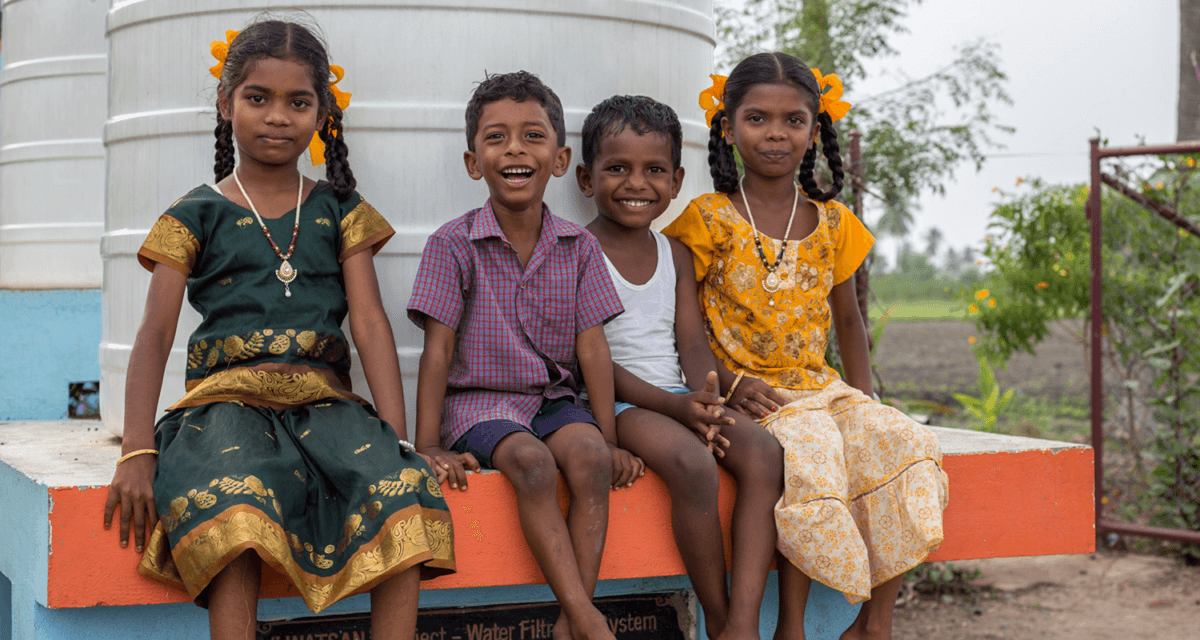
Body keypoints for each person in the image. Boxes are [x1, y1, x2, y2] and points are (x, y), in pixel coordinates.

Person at [102, 19, 454, 640]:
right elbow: (155, 334)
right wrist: (136, 448)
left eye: (299, 102)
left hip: (328, 406)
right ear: (225, 102)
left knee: (401, 492)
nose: (277, 116)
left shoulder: (339, 209)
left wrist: (399, 438)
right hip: (224, 409)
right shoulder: (196, 213)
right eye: (257, 98)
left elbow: (370, 325)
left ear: (322, 113)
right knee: (240, 503)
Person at [664, 52, 950, 640]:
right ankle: (790, 627)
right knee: (812, 455)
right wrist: (727, 386)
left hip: (821, 388)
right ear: (729, 127)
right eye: (758, 119)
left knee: (908, 443)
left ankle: (875, 623)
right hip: (754, 397)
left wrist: (866, 401)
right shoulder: (707, 219)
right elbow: (685, 328)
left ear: (815, 130)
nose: (776, 134)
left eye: (794, 120)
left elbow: (849, 323)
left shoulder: (834, 223)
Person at [407, 71, 642, 640]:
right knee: (533, 464)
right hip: (479, 404)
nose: (515, 148)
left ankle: (568, 621)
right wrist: (427, 443)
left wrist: (609, 439)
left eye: (532, 135)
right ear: (473, 162)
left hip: (551, 399)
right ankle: (587, 616)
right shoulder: (451, 244)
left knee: (586, 457)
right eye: (496, 137)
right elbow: (436, 352)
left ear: (559, 160)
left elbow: (592, 347)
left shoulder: (579, 246)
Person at [576, 95, 784, 640]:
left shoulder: (675, 253)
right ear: (584, 177)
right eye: (617, 168)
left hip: (676, 394)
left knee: (763, 455)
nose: (636, 183)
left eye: (654, 171)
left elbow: (690, 343)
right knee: (695, 465)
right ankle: (718, 619)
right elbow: (590, 358)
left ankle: (743, 617)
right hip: (615, 402)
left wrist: (711, 396)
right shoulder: (576, 250)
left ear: (676, 180)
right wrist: (675, 406)